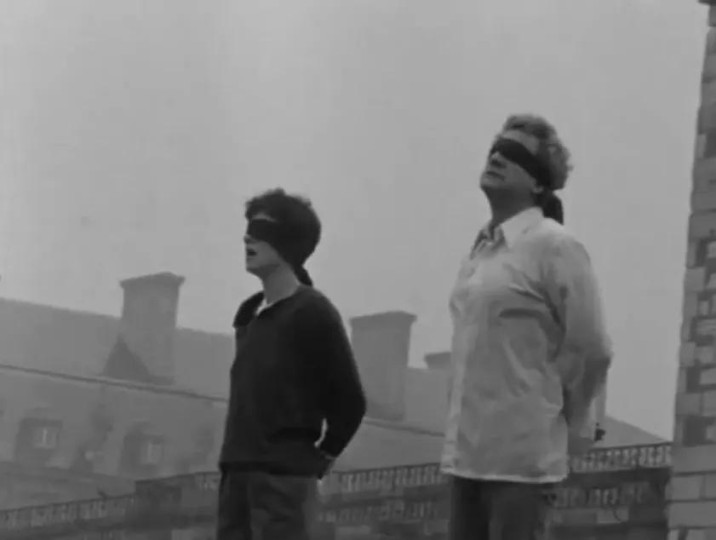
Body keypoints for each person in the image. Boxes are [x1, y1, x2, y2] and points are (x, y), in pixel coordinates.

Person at [441, 114, 613, 540]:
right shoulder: (479, 253)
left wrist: (569, 420)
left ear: (538, 182)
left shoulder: (555, 246)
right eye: (495, 149)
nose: (497, 158)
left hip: (522, 465)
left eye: (514, 153)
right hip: (465, 459)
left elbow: (592, 348)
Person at [217, 188, 367, 540]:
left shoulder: (312, 311)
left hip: (283, 483)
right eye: (248, 229)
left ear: (290, 242)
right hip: (236, 477)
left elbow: (350, 402)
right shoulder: (249, 316)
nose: (248, 238)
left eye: (262, 229)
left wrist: (319, 458)